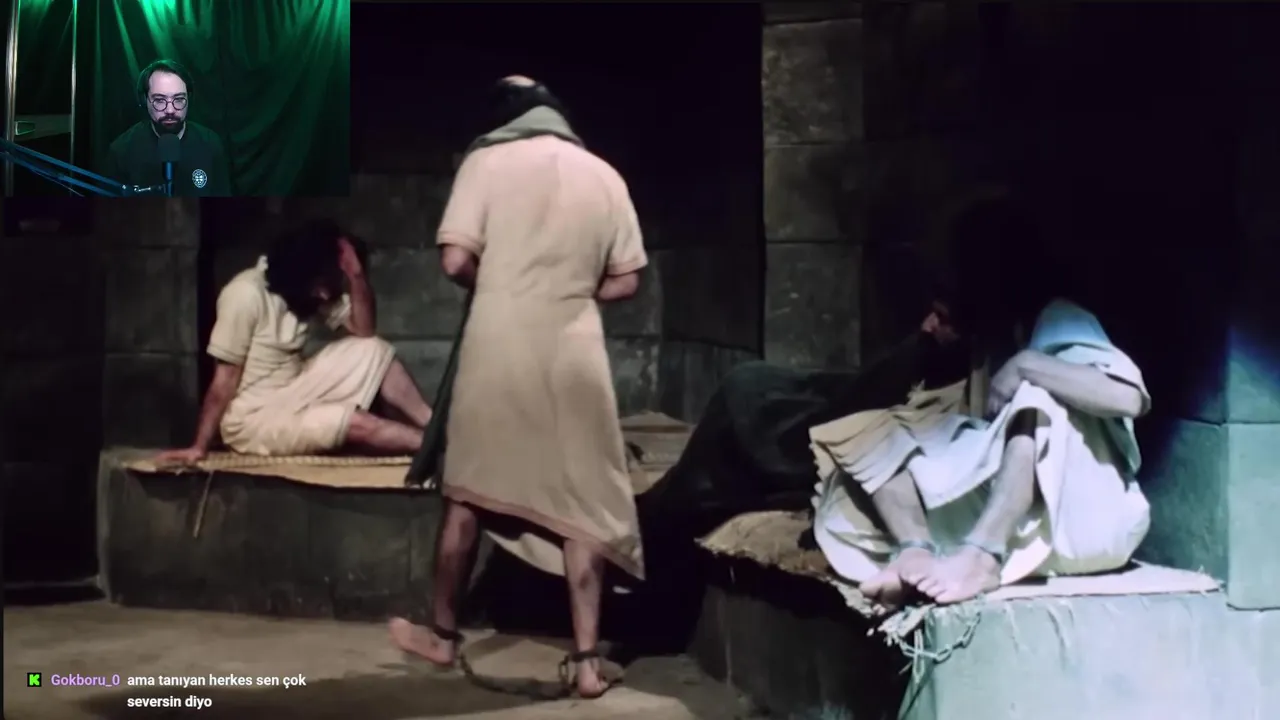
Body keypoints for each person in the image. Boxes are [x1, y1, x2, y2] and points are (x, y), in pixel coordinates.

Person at [387, 76, 646, 699]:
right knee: (583, 505)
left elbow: (455, 259)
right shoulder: (604, 175)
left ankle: (443, 638)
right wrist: (569, 291)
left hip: (499, 341)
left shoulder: (486, 161)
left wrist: (506, 283)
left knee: (468, 491)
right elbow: (628, 279)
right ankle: (587, 663)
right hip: (575, 348)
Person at [810, 193, 1152, 609]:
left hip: (1085, 519)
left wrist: (1028, 365)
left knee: (1036, 399)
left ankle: (983, 557)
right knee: (875, 433)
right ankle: (916, 550)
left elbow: (1127, 398)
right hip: (1028, 521)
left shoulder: (1060, 318)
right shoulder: (989, 345)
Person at [153, 220, 434, 464]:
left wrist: (356, 276)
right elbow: (223, 381)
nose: (325, 297)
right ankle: (438, 447)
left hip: (295, 389)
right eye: (320, 288)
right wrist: (199, 446)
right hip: (254, 420)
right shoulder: (245, 294)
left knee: (374, 349)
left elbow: (365, 331)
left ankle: (436, 426)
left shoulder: (306, 288)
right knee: (352, 422)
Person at [102, 59, 231, 197]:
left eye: (179, 99)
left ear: (189, 99)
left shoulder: (210, 144)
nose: (170, 110)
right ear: (144, 101)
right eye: (159, 100)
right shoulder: (121, 151)